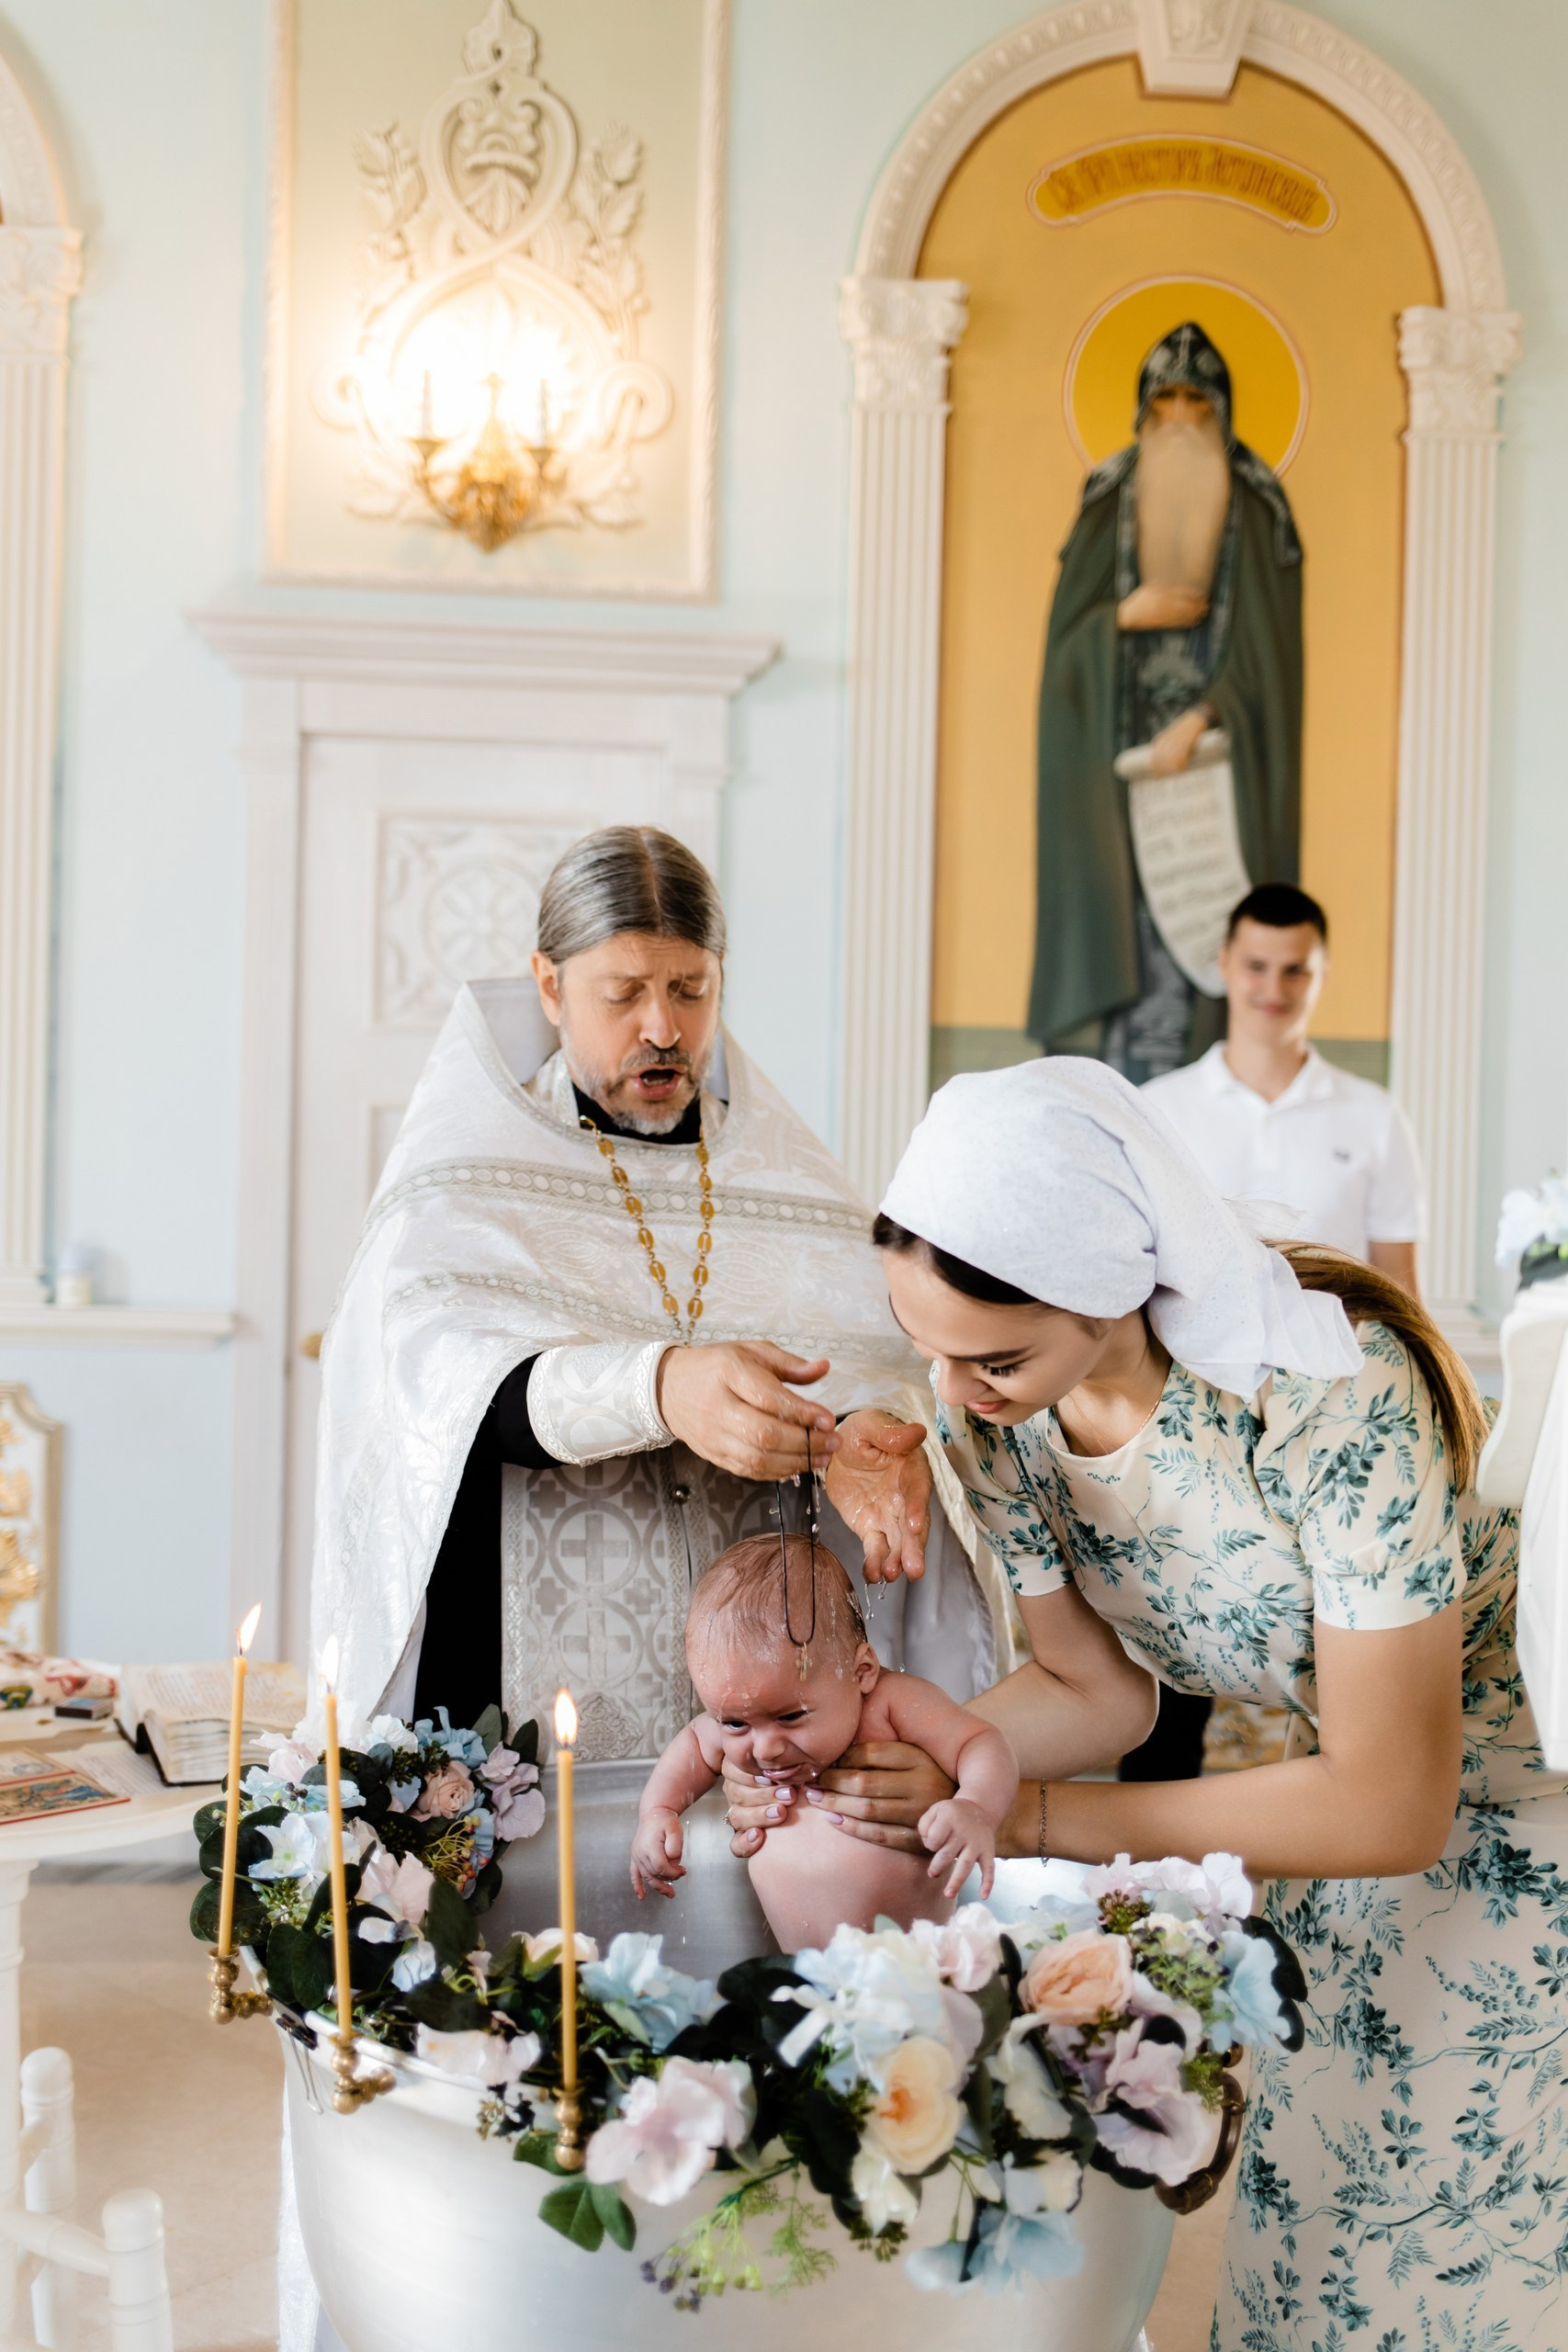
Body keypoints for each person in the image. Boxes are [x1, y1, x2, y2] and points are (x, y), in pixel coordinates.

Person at [288, 827, 1012, 2352]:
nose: (662, 1029)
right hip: (528, 1733)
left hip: (770, 1760)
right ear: (547, 984)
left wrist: (875, 1433)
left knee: (746, 2126)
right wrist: (657, 1383)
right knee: (534, 2135)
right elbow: (424, 1388)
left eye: (690, 990)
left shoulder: (782, 1172)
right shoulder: (459, 1178)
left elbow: (886, 1351)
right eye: (622, 993)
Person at [723, 1059, 1558, 2352]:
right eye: (928, 1349)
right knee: (1326, 2225)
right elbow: (1093, 1691)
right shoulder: (1003, 1421)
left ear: (1107, 1288)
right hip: (1353, 1804)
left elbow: (1393, 1804)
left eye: (992, 1356)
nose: (951, 1391)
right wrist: (889, 1758)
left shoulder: (1329, 1391)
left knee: (1466, 2250)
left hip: (1525, 1790)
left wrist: (1034, 1818)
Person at [1030, 321, 1303, 1082]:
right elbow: (1063, 648)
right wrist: (1122, 615)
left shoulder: (1258, 503)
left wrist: (1204, 714)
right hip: (1114, 768)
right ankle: (1115, 1091)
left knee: (1200, 933)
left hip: (1218, 772)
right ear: (1142, 410)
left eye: (1197, 402)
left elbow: (1271, 655)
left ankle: (1196, 1097)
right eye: (1165, 401)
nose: (1180, 419)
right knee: (1124, 926)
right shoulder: (1108, 497)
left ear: (1222, 409)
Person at [631, 1533, 1018, 1944]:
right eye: (735, 1725)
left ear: (861, 1672)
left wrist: (976, 1807)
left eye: (791, 1716)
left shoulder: (889, 1703)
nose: (765, 1748)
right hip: (803, 1969)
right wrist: (657, 1812)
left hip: (916, 1964)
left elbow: (980, 1741)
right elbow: (693, 1742)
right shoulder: (744, 1712)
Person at [1142, 881, 1423, 1292]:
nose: (1274, 990)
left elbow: (1402, 1297)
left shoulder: (1377, 1117)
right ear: (1225, 965)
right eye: (1256, 967)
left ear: (1322, 975)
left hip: (1339, 1337)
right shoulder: (1156, 1109)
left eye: (1295, 971)